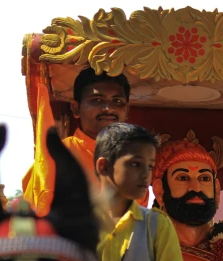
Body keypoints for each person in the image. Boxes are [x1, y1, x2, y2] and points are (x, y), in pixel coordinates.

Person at [94, 123, 189, 261]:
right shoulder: (77, 224)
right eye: (136, 164)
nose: (146, 174)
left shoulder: (156, 224)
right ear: (103, 167)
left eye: (150, 166)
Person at [23, 67, 146, 215]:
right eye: (97, 100)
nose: (108, 108)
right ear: (75, 108)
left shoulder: (137, 160)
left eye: (117, 101)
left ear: (127, 109)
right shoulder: (56, 156)